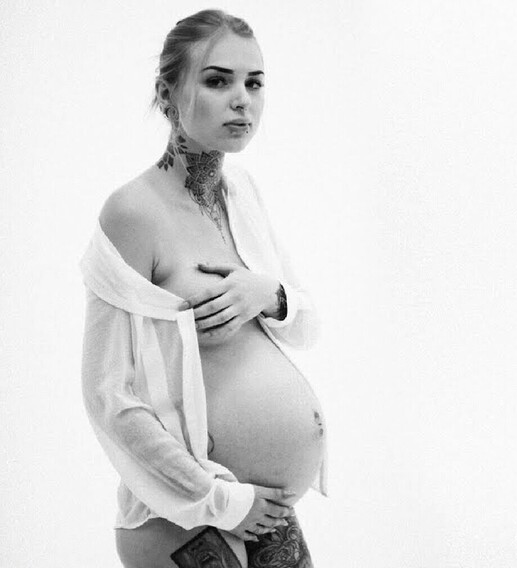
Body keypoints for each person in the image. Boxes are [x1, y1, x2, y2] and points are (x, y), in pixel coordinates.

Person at [80, 10, 325, 567]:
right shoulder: (132, 213)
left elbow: (308, 324)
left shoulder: (241, 195)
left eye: (254, 83)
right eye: (218, 81)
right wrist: (221, 500)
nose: (242, 100)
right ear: (167, 94)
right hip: (185, 518)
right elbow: (107, 394)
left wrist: (270, 296)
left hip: (263, 513)